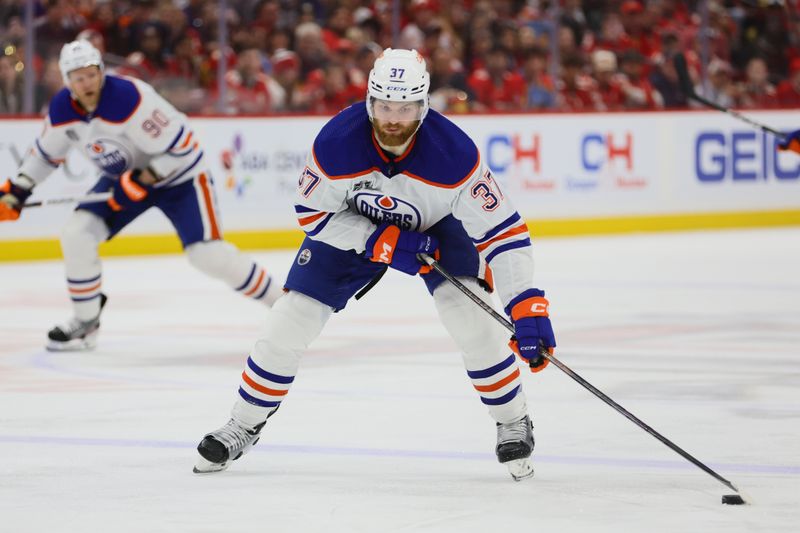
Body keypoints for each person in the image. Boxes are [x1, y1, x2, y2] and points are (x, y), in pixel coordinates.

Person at [193, 49, 557, 481]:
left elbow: (503, 232)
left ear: (423, 106)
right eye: (384, 105)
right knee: (288, 322)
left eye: (405, 108)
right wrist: (380, 240)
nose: (392, 118)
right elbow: (312, 214)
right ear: (369, 101)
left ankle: (513, 421)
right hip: (354, 226)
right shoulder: (336, 143)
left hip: (441, 229)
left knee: (475, 325)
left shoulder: (455, 155)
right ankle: (242, 425)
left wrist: (526, 303)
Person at [0, 40, 281, 351]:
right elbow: (45, 155)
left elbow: (182, 147)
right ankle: (86, 320)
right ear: (68, 82)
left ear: (101, 72)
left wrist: (142, 181)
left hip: (181, 178)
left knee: (207, 254)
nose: (87, 82)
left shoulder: (129, 98)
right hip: (123, 179)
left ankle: (282, 306)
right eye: (78, 78)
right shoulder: (62, 109)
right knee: (77, 233)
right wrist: (18, 189)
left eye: (92, 74)